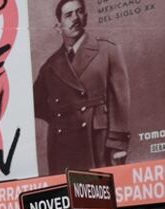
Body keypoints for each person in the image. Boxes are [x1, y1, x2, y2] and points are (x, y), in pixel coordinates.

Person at [33, 0, 130, 173]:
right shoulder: (50, 66)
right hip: (63, 145)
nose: (75, 18)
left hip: (99, 141)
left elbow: (120, 101)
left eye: (79, 12)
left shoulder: (108, 50)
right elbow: (35, 104)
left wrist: (118, 143)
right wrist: (63, 117)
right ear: (58, 26)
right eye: (68, 15)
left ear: (85, 17)